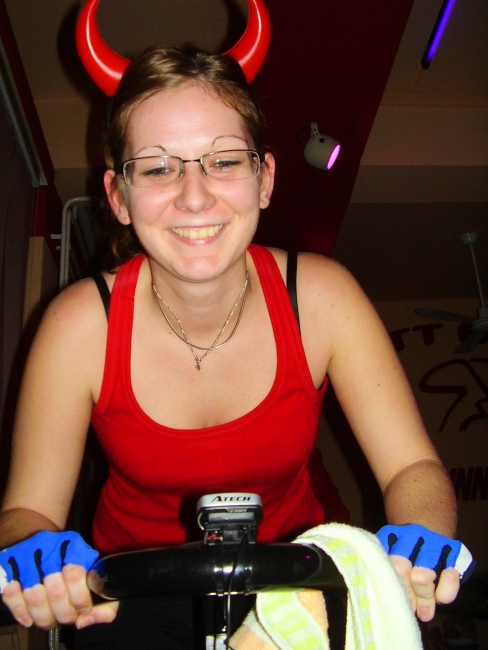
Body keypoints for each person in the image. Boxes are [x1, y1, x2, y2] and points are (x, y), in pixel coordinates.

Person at [0, 45, 470, 648]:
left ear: (265, 178)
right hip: (133, 593)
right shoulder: (77, 325)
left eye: (223, 161)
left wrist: (422, 536)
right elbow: (27, 512)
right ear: (118, 196)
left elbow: (411, 468)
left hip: (292, 583)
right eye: (158, 168)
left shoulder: (323, 298)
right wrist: (32, 548)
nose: (195, 197)